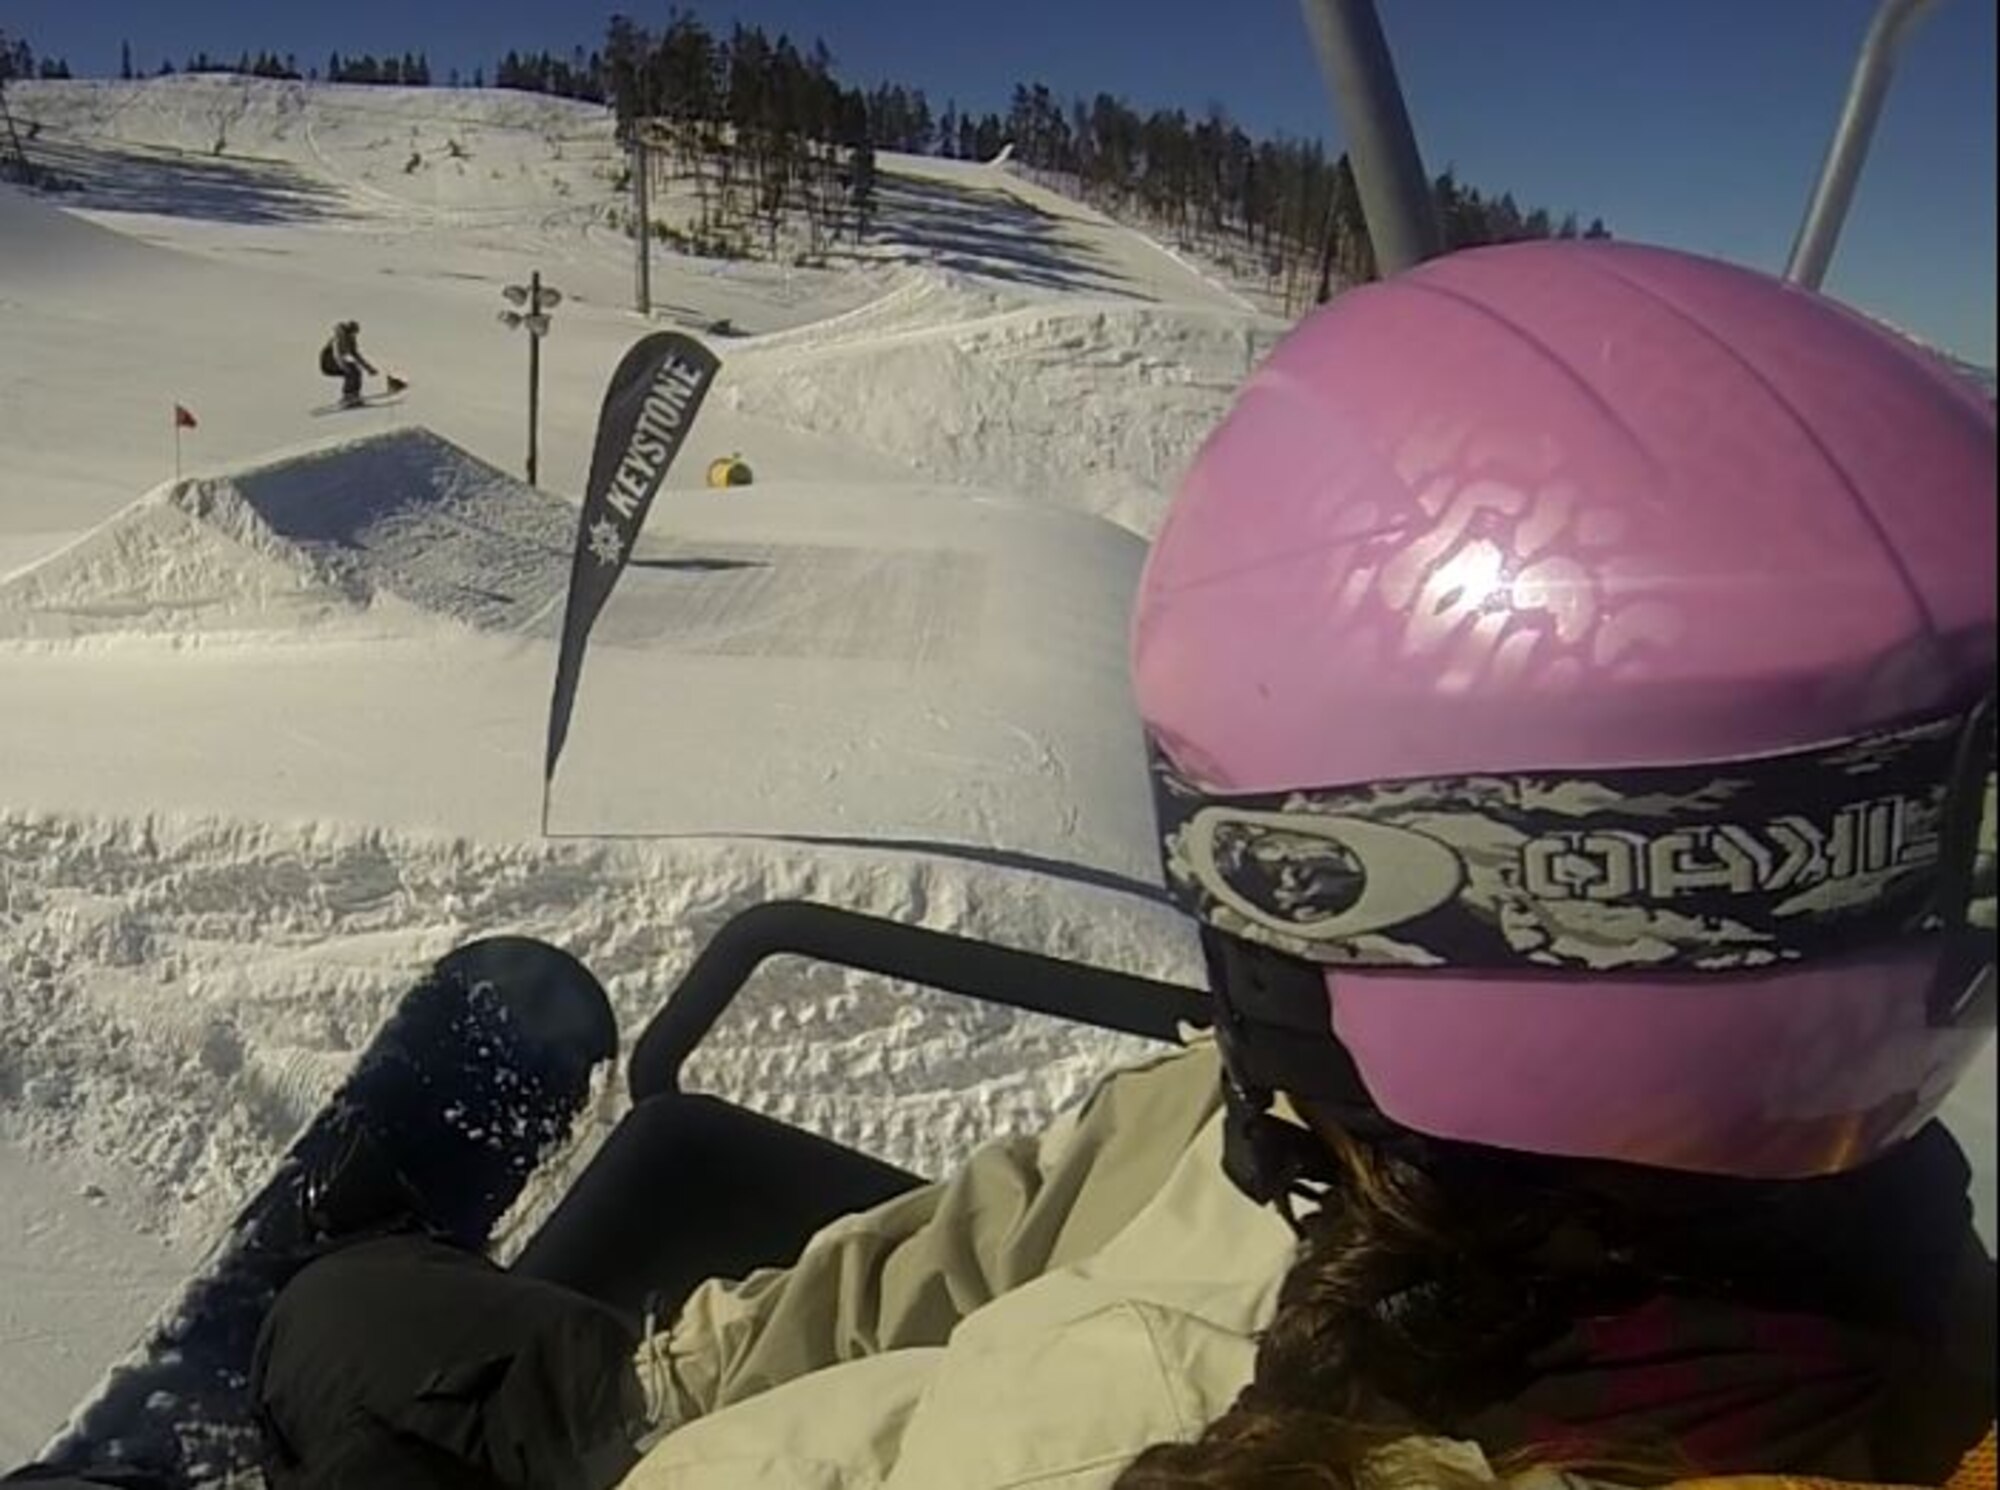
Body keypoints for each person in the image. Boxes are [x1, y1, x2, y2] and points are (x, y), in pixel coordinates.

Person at [14, 238, 1995, 1490]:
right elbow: (1036, 1217)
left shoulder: (1242, 1371)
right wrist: (669, 1376)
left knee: (334, 1330)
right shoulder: (1366, 1144)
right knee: (369, 1312)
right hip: (719, 1398)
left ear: (1353, 892)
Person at [318, 320, 377, 409]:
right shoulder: (340, 337)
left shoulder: (350, 339)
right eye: (353, 333)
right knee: (351, 371)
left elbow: (355, 355)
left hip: (338, 360)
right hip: (328, 362)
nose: (354, 336)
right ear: (349, 331)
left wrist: (368, 368)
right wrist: (343, 365)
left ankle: (354, 396)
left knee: (356, 371)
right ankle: (347, 397)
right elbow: (336, 353)